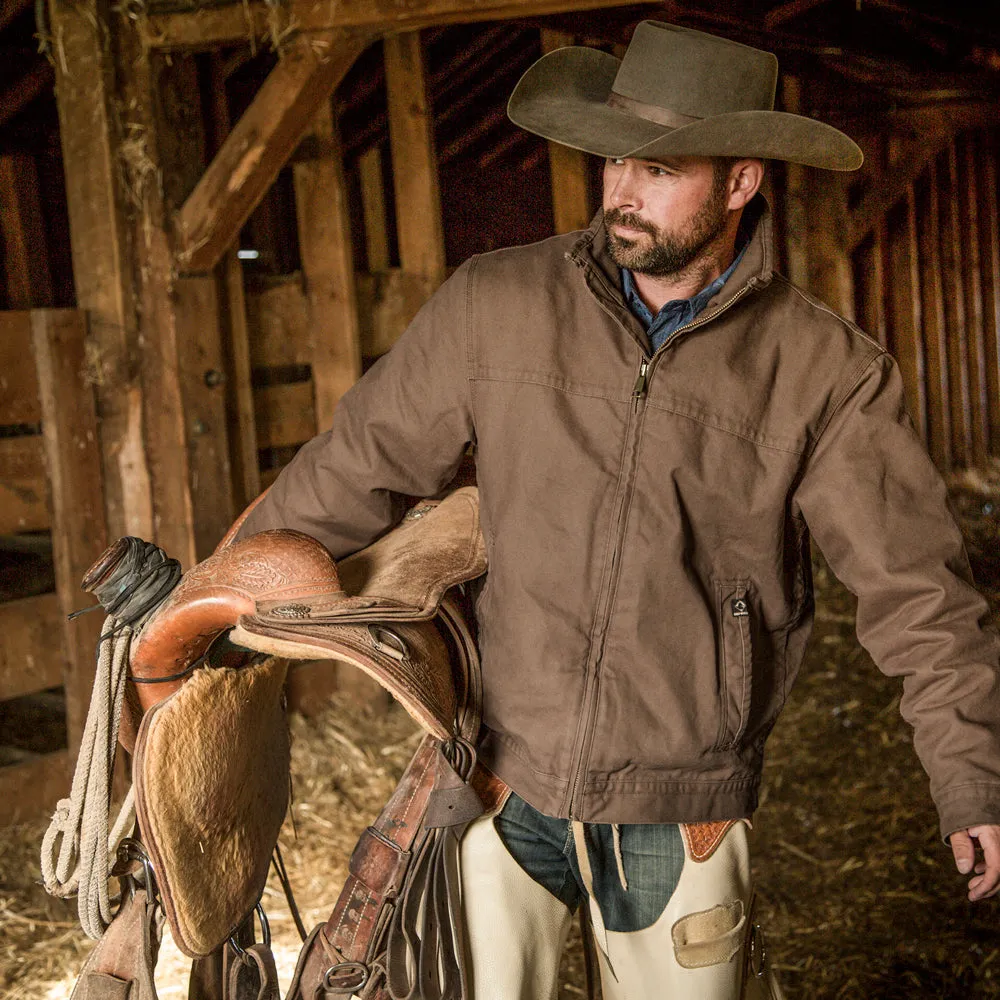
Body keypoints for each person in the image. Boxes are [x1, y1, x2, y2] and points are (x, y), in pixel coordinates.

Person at [237, 21, 1000, 999]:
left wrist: (972, 778)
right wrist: (212, 590)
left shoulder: (822, 372)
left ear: (740, 181)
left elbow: (916, 592)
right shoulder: (496, 303)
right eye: (614, 161)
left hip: (679, 798)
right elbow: (351, 471)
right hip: (495, 776)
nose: (622, 192)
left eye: (661, 168)